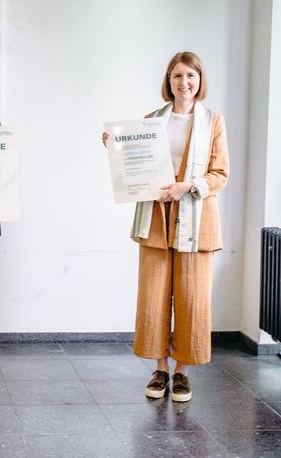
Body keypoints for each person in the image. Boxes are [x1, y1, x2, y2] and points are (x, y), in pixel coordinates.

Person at [103, 51, 228, 402]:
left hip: (197, 221)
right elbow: (134, 166)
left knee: (191, 297)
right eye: (177, 76)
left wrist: (187, 187)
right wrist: (115, 146)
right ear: (168, 81)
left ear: (200, 80)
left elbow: (220, 174)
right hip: (156, 220)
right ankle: (159, 369)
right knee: (154, 296)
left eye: (190, 75)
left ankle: (182, 373)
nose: (184, 83)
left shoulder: (213, 122)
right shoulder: (150, 119)